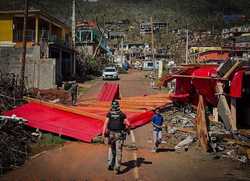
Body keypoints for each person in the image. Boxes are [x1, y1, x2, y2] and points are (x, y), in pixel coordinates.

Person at [102, 100, 130, 174]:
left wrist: (103, 134)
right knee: (118, 151)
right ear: (118, 106)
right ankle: (117, 168)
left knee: (111, 149)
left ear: (112, 106)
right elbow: (128, 124)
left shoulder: (109, 114)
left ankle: (110, 164)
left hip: (111, 134)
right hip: (119, 135)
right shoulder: (122, 114)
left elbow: (105, 124)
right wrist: (128, 130)